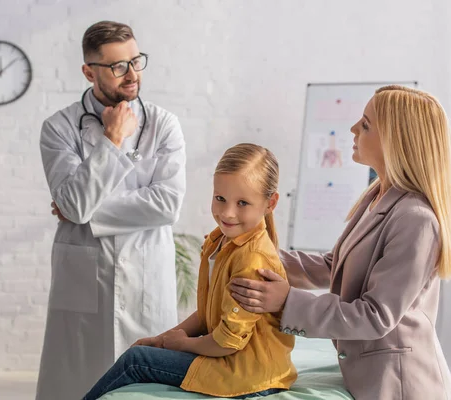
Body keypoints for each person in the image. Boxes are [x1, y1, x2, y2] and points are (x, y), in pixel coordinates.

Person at [230, 85, 451, 400]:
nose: (353, 129)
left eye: (366, 125)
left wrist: (287, 302)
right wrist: (256, 252)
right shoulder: (378, 194)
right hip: (366, 372)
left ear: (396, 141)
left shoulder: (416, 220)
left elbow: (375, 315)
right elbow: (335, 266)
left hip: (401, 386)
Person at [37, 20, 186, 400]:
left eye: (136, 61)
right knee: (75, 383)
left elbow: (167, 205)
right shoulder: (59, 128)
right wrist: (112, 139)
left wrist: (86, 213)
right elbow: (72, 203)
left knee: (146, 387)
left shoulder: (163, 125)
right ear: (89, 71)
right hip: (86, 279)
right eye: (118, 66)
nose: (132, 74)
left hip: (145, 278)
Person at [83, 143, 297, 399]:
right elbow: (209, 314)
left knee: (134, 361)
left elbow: (227, 341)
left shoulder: (252, 259)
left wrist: (184, 344)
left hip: (249, 375)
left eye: (242, 203)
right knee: (141, 353)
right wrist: (162, 340)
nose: (227, 213)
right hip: (236, 362)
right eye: (220, 199)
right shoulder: (220, 241)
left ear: (270, 203)